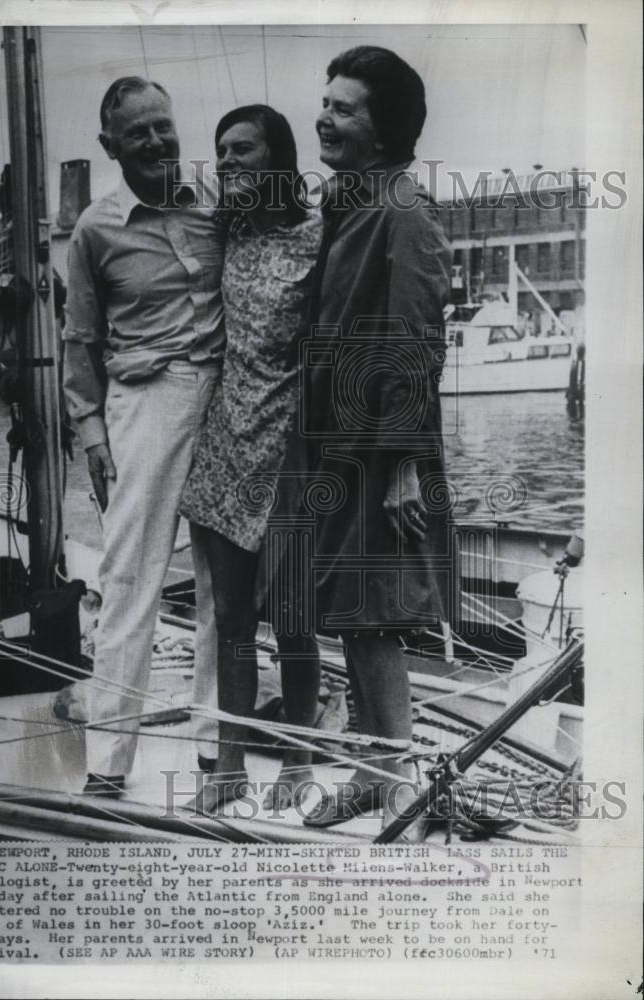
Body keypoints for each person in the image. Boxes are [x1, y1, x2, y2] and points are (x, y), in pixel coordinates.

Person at [295, 46, 453, 829]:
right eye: (324, 103)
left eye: (343, 108)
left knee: (376, 615)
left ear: (383, 130)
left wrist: (400, 468)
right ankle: (370, 770)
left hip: (382, 448)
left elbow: (417, 344)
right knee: (350, 610)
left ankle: (398, 783)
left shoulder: (403, 211)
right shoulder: (347, 202)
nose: (323, 118)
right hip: (338, 441)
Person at [62, 76, 224, 797]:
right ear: (110, 147)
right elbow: (79, 341)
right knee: (130, 580)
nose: (158, 141)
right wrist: (92, 435)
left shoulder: (218, 202)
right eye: (139, 133)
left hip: (224, 398)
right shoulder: (93, 230)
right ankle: (108, 763)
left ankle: (216, 746)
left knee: (224, 581)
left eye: (164, 125)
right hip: (145, 400)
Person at [179, 105, 323, 814]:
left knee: (293, 616)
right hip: (225, 445)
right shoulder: (227, 230)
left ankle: (298, 761)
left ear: (278, 157)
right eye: (221, 150)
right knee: (231, 617)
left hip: (288, 450)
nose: (228, 161)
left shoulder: (317, 236)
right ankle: (230, 768)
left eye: (243, 149)